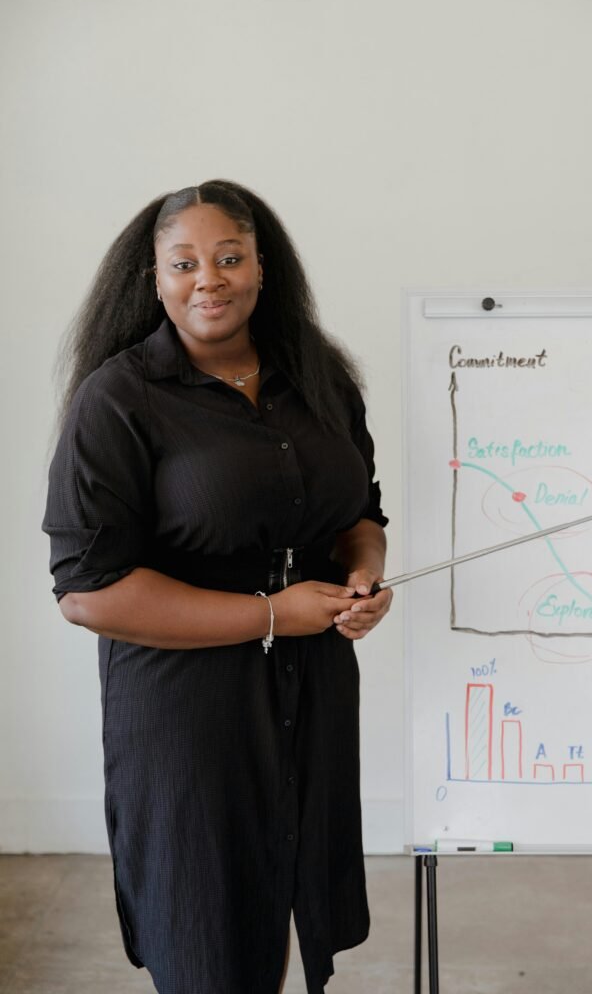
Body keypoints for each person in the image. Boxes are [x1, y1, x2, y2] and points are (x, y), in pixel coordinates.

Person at [42, 180, 392, 994]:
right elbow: (86, 593)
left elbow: (361, 514)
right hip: (187, 708)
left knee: (283, 895)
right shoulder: (118, 400)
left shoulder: (322, 378)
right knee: (205, 923)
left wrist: (363, 573)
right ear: (154, 279)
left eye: (230, 257)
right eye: (185, 262)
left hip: (314, 686)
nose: (211, 278)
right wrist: (271, 613)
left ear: (261, 268)